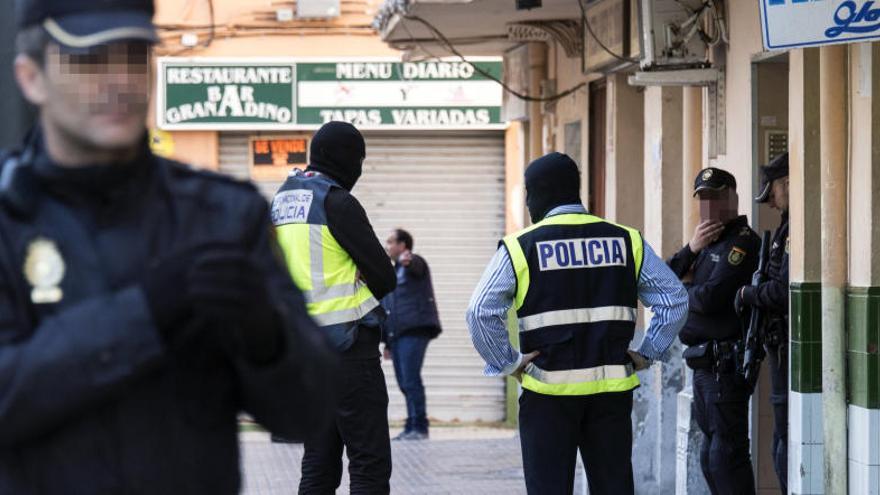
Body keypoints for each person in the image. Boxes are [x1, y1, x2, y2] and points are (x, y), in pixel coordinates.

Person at [0, 1, 337, 492]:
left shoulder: (223, 215)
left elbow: (306, 416)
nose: (120, 81)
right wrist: (145, 314)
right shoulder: (8, 220)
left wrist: (270, 339)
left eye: (135, 57)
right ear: (31, 79)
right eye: (90, 61)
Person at [466, 152, 688, 495]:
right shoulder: (626, 240)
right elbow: (674, 300)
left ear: (537, 193)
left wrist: (508, 362)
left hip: (547, 397)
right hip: (610, 396)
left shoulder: (520, 247)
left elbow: (480, 311)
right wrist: (647, 353)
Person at [271, 121, 397, 494]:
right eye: (358, 160)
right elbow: (385, 277)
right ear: (347, 160)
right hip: (349, 351)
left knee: (319, 462)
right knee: (369, 463)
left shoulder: (282, 200)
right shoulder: (337, 202)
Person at [668, 167, 761, 495]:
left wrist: (686, 290)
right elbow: (664, 280)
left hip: (726, 365)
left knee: (726, 456)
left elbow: (710, 299)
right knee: (710, 455)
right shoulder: (707, 242)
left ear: (732, 198)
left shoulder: (741, 243)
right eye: (702, 198)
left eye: (715, 197)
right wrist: (691, 249)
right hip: (702, 364)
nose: (707, 206)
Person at [736, 152, 790, 493]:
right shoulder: (786, 227)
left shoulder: (794, 229)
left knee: (783, 441)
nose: (770, 201)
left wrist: (747, 294)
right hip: (778, 343)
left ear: (786, 184)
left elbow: (783, 290)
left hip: (785, 345)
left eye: (773, 191)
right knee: (778, 442)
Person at [382, 228, 442, 441]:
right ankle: (411, 426)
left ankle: (420, 426)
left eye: (390, 242)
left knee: (410, 379)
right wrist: (387, 342)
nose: (387, 246)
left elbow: (416, 267)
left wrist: (409, 260)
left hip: (414, 331)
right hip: (397, 335)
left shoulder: (414, 263)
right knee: (403, 381)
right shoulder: (392, 272)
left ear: (403, 245)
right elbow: (389, 307)